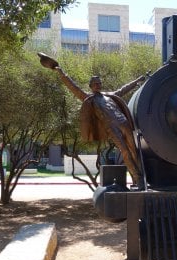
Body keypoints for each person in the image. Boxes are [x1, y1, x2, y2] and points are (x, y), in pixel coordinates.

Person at [38, 52, 146, 187]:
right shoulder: (89, 98)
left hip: (124, 122)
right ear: (91, 86)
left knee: (134, 150)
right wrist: (60, 72)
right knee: (124, 151)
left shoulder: (110, 95)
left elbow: (123, 89)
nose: (98, 85)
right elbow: (73, 87)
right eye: (95, 83)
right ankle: (137, 177)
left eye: (99, 83)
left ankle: (141, 178)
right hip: (111, 128)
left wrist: (137, 81)